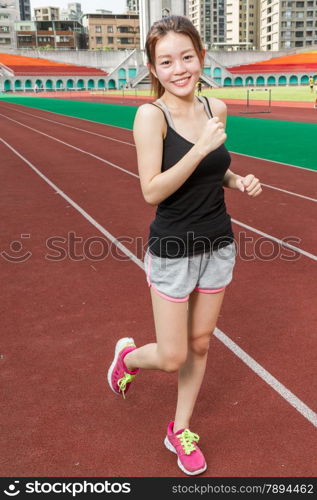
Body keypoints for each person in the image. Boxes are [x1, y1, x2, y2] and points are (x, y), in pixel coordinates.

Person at [107, 15, 262, 476]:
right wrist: (197, 150)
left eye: (187, 57)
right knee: (172, 355)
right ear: (154, 69)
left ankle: (180, 428)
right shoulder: (150, 116)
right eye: (166, 61)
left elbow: (215, 172)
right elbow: (152, 190)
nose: (179, 69)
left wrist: (239, 180)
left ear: (201, 56)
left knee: (200, 344)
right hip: (174, 250)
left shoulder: (217, 109)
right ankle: (127, 358)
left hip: (218, 245)